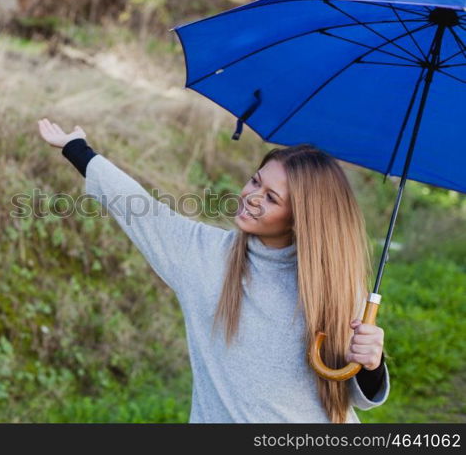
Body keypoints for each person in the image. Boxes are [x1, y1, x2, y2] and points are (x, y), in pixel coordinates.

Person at [37, 118, 389, 423]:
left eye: (271, 198)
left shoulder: (335, 285)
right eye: (255, 182)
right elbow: (140, 209)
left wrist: (370, 363)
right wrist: (77, 148)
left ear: (303, 218)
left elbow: (351, 395)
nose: (251, 196)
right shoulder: (202, 257)